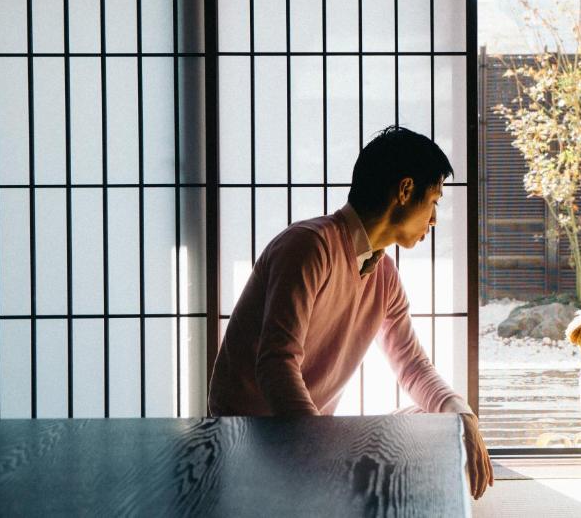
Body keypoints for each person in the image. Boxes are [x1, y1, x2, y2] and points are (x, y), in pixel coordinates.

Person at [208, 126, 493, 500]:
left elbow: (412, 366)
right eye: (435, 200)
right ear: (405, 191)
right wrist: (322, 458)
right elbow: (277, 365)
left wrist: (463, 414)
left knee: (438, 426)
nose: (435, 218)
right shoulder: (309, 246)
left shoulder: (383, 275)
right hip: (248, 440)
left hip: (309, 437)